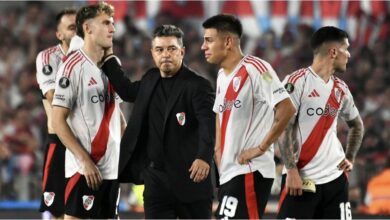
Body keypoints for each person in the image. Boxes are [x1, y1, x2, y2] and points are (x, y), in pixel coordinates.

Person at [100, 24, 215, 219]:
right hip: (156, 180)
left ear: (182, 51)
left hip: (191, 179)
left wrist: (204, 156)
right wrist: (108, 57)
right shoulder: (150, 79)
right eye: (160, 50)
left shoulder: (198, 86)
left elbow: (209, 124)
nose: (165, 55)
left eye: (171, 49)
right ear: (153, 53)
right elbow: (127, 91)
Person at [201, 14, 296, 219]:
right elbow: (219, 112)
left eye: (209, 40)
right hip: (229, 172)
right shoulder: (221, 76)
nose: (203, 46)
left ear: (228, 42)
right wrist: (218, 150)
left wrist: (260, 148)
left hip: (250, 171)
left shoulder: (257, 69)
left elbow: (287, 108)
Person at [277, 26, 364, 219]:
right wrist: (291, 170)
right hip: (300, 180)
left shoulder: (341, 88)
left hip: (335, 181)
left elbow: (357, 125)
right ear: (333, 51)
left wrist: (349, 157)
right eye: (346, 48)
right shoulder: (296, 82)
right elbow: (283, 127)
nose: (349, 54)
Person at [52, 3, 126, 219]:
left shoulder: (113, 63)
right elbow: (58, 121)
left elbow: (117, 114)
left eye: (112, 24)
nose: (112, 29)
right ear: (88, 28)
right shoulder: (72, 66)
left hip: (111, 168)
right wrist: (84, 160)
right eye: (106, 23)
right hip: (85, 169)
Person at [36, 8, 77, 218]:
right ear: (59, 35)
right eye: (71, 28)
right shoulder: (48, 58)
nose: (77, 32)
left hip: (87, 143)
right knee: (56, 210)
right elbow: (53, 97)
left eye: (80, 27)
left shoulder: (96, 59)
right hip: (60, 141)